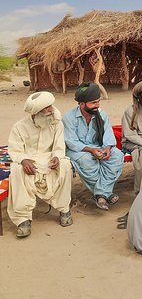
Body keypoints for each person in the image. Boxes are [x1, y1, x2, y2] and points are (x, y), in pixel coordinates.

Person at [7, 92, 73, 238]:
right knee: (16, 170)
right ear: (36, 112)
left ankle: (64, 209)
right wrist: (23, 160)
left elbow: (59, 146)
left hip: (49, 159)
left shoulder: (57, 123)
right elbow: (15, 150)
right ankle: (23, 219)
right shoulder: (19, 127)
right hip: (30, 160)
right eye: (47, 108)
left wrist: (56, 156)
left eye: (51, 106)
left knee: (66, 164)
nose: (51, 110)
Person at [63, 82, 123, 210]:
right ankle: (105, 193)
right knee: (87, 160)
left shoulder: (101, 114)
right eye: (93, 103)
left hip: (98, 146)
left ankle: (100, 194)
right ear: (82, 104)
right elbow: (71, 142)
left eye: (98, 101)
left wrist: (107, 148)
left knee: (117, 156)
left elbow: (108, 134)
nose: (97, 105)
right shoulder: (69, 117)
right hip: (77, 150)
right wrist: (91, 150)